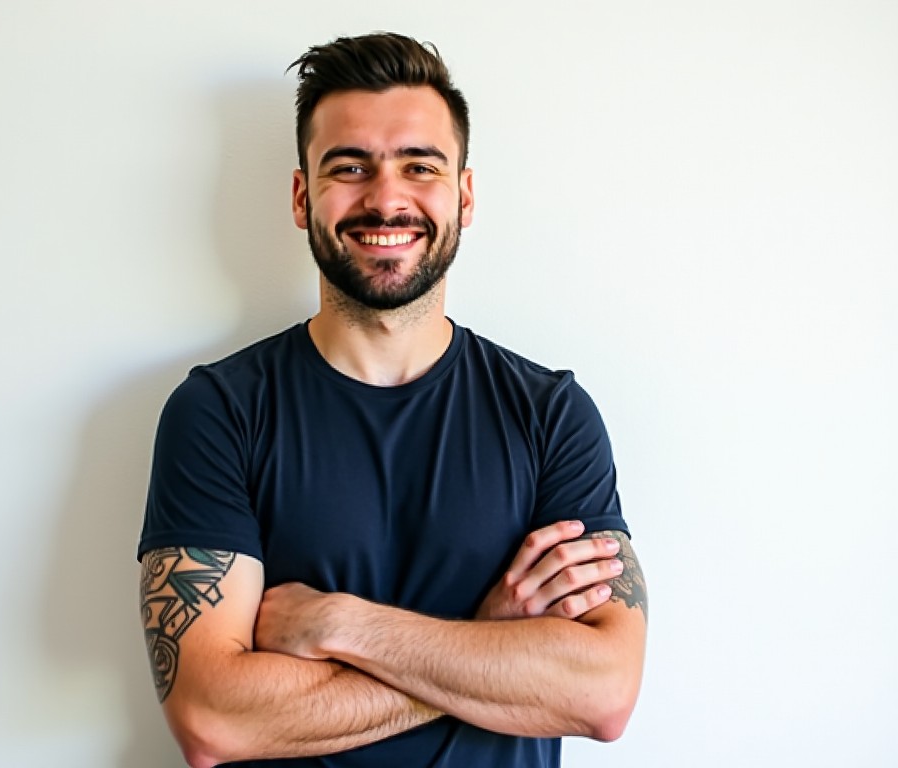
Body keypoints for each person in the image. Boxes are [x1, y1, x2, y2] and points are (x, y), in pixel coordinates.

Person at [137, 31, 647, 768]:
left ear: (463, 195)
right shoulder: (219, 412)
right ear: (301, 194)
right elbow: (213, 717)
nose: (386, 198)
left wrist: (343, 625)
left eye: (420, 166)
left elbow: (603, 693)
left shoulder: (551, 415)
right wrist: (490, 639)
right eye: (350, 167)